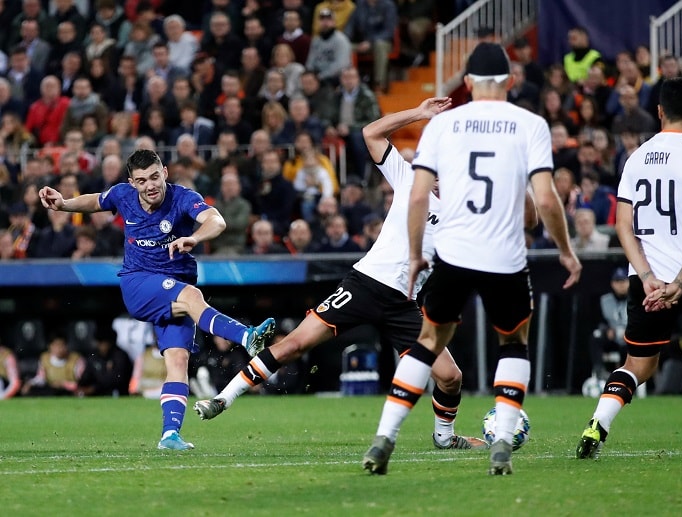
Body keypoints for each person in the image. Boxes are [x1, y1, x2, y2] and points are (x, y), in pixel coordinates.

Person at [194, 97, 489, 452]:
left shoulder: (465, 214)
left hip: (404, 304)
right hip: (363, 284)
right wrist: (418, 113)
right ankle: (222, 399)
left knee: (450, 376)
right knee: (294, 344)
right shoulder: (409, 179)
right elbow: (371, 133)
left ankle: (444, 437)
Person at [362, 43, 581, 476]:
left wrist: (413, 254)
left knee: (426, 343)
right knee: (514, 344)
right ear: (511, 83)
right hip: (503, 256)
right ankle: (501, 442)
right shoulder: (530, 125)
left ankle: (384, 437)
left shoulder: (444, 126)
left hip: (454, 255)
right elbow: (544, 202)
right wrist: (565, 250)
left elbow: (419, 194)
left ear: (467, 84)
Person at [38, 149, 276, 451]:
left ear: (164, 172)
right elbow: (96, 200)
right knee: (192, 296)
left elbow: (216, 221)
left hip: (173, 289)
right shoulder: (122, 195)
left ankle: (169, 435)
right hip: (138, 284)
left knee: (178, 360)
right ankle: (247, 336)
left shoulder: (183, 197)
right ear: (131, 183)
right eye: (141, 181)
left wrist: (196, 238)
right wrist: (63, 204)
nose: (150, 185)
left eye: (154, 176)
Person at [575, 77, 682, 460]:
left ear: (658, 111)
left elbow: (623, 226)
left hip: (647, 281)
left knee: (637, 364)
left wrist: (649, 276)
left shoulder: (636, 157)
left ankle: (598, 424)